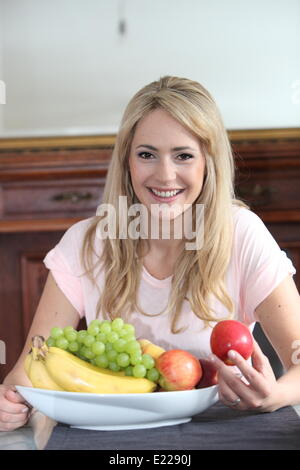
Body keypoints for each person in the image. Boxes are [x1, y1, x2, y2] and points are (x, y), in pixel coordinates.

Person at [1, 75, 300, 432]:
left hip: (224, 429)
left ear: (209, 163)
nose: (165, 175)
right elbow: (29, 371)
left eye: (184, 156)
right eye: (147, 155)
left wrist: (275, 395)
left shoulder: (242, 233)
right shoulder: (85, 243)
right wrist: (9, 404)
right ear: (127, 161)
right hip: (111, 435)